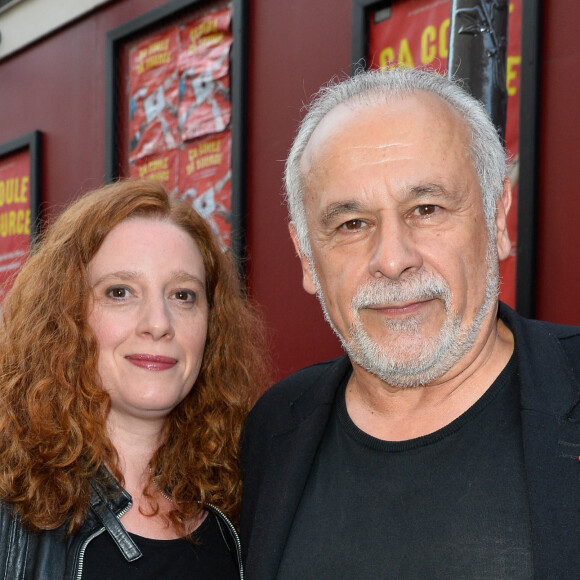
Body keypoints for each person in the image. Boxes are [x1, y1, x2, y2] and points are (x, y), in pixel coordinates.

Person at [240, 67, 580, 579]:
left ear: (498, 220)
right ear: (306, 257)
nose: (393, 259)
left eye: (426, 208)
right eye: (352, 224)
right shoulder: (272, 430)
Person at [0, 180, 268, 579]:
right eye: (120, 292)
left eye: (183, 295)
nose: (159, 324)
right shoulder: (9, 508)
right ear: (63, 317)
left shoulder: (251, 502)